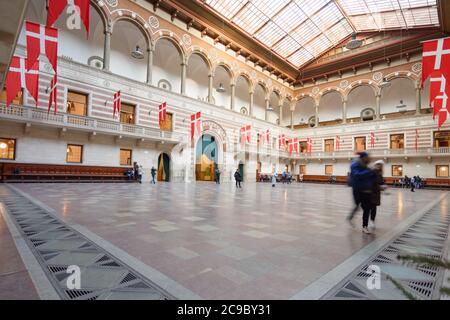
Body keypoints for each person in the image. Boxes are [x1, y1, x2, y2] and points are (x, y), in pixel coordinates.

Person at [347, 152, 376, 234]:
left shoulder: (366, 166)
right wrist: (370, 172)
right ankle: (350, 217)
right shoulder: (354, 164)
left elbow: (371, 177)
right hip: (357, 189)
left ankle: (364, 226)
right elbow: (357, 175)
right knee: (357, 205)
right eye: (367, 157)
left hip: (367, 190)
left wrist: (374, 174)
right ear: (363, 157)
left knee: (367, 208)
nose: (369, 158)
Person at [369, 160, 386, 230]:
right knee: (370, 207)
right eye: (378, 165)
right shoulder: (372, 172)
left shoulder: (379, 173)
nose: (379, 166)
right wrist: (381, 187)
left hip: (376, 193)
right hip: (371, 192)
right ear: (376, 165)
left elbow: (381, 182)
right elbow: (371, 183)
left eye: (381, 165)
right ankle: (368, 223)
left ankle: (372, 221)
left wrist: (384, 187)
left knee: (373, 208)